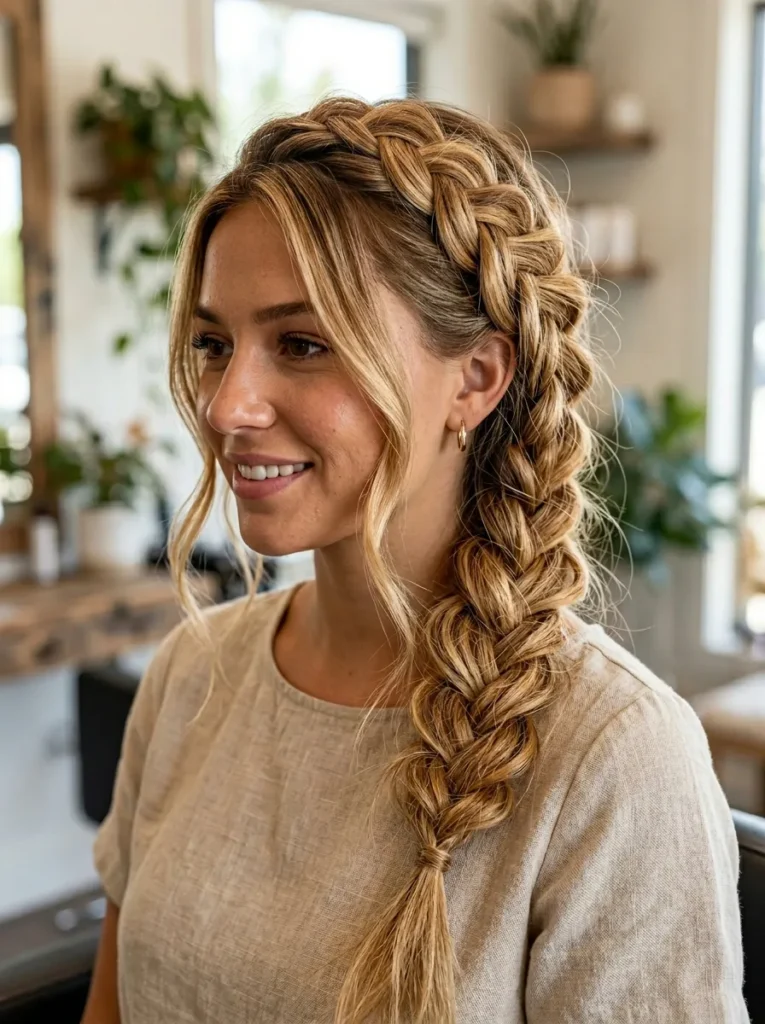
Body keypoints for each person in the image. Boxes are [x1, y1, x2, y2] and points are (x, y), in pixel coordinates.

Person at [81, 97, 747, 1024]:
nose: (227, 404)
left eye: (302, 344)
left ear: (475, 377)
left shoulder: (611, 759)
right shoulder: (191, 674)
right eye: (213, 343)